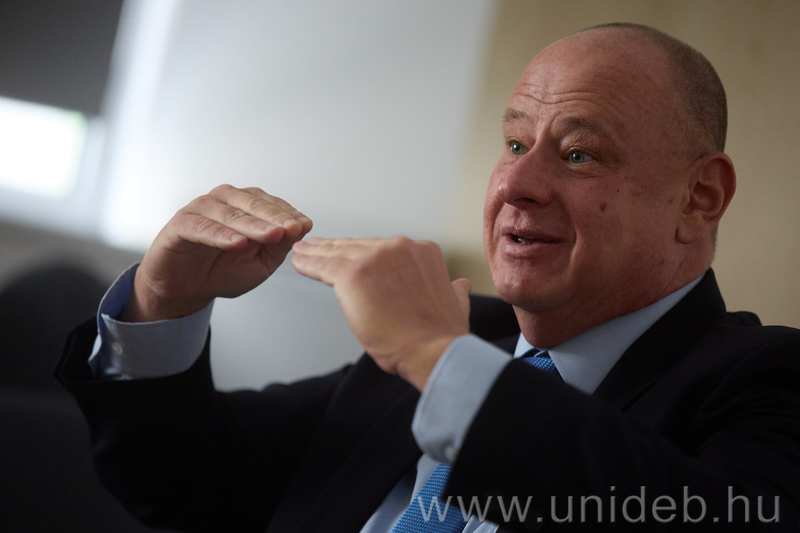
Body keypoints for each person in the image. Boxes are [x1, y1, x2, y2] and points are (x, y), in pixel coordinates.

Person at [56, 23, 800, 532]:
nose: (516, 184)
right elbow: (185, 482)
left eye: (578, 154)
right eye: (515, 143)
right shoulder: (462, 334)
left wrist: (437, 359)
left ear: (699, 198)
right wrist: (162, 303)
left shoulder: (769, 382)